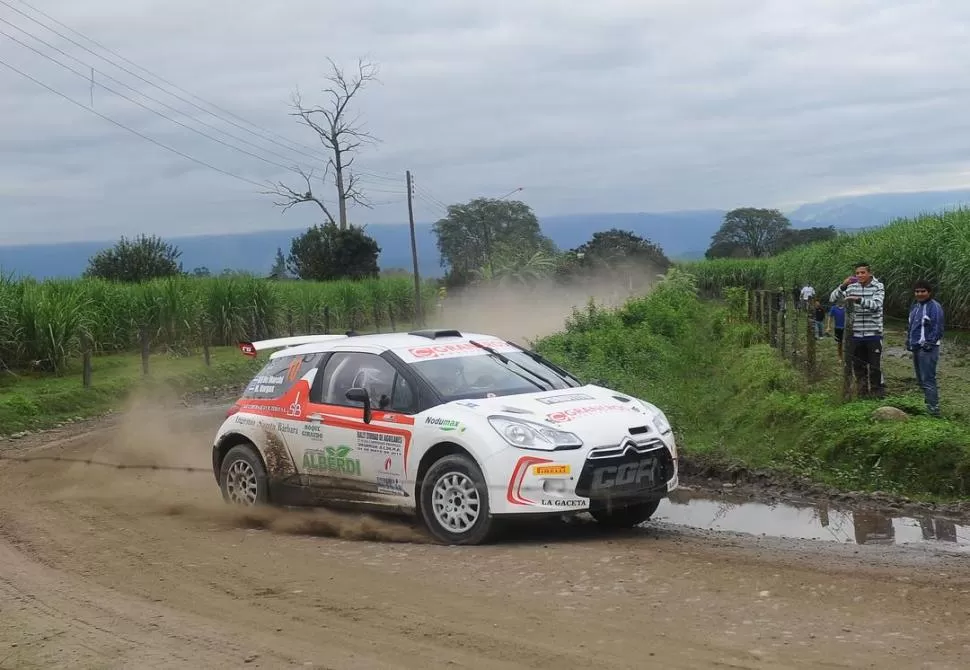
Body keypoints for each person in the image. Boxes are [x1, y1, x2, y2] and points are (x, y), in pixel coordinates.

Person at [829, 263, 885, 399]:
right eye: (857, 273)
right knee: (859, 367)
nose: (860, 275)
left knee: (874, 367)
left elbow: (876, 305)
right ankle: (862, 394)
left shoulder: (878, 286)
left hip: (873, 334)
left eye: (863, 273)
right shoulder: (851, 287)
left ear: (869, 273)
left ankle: (877, 394)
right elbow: (833, 299)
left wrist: (858, 300)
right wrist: (843, 286)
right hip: (855, 333)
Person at [904, 280, 944, 417]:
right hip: (916, 347)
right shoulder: (915, 307)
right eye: (917, 291)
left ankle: (934, 411)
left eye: (923, 291)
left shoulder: (935, 307)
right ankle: (929, 406)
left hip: (928, 349)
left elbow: (938, 327)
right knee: (921, 380)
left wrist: (929, 343)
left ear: (929, 292)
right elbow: (911, 327)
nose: (920, 294)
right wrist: (909, 342)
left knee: (928, 379)